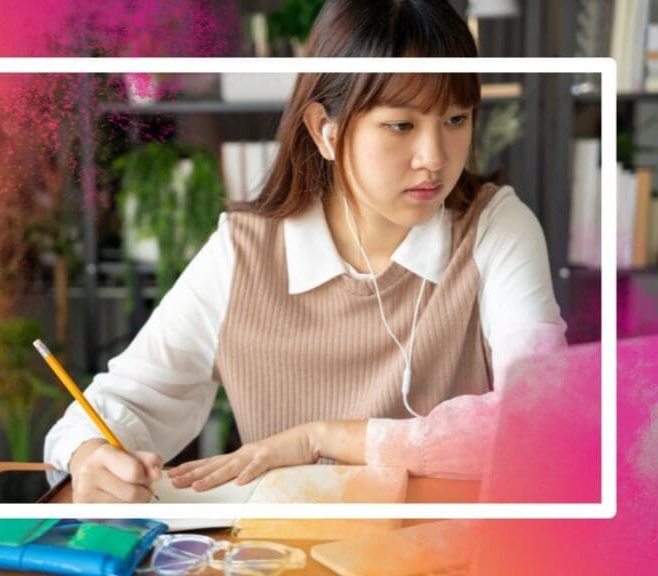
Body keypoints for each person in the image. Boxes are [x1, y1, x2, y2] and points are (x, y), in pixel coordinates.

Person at [45, 0, 567, 503]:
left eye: (456, 120)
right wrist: (90, 456)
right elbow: (124, 403)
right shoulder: (244, 252)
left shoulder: (495, 229)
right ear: (325, 129)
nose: (434, 158)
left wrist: (322, 437)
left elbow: (544, 422)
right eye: (401, 125)